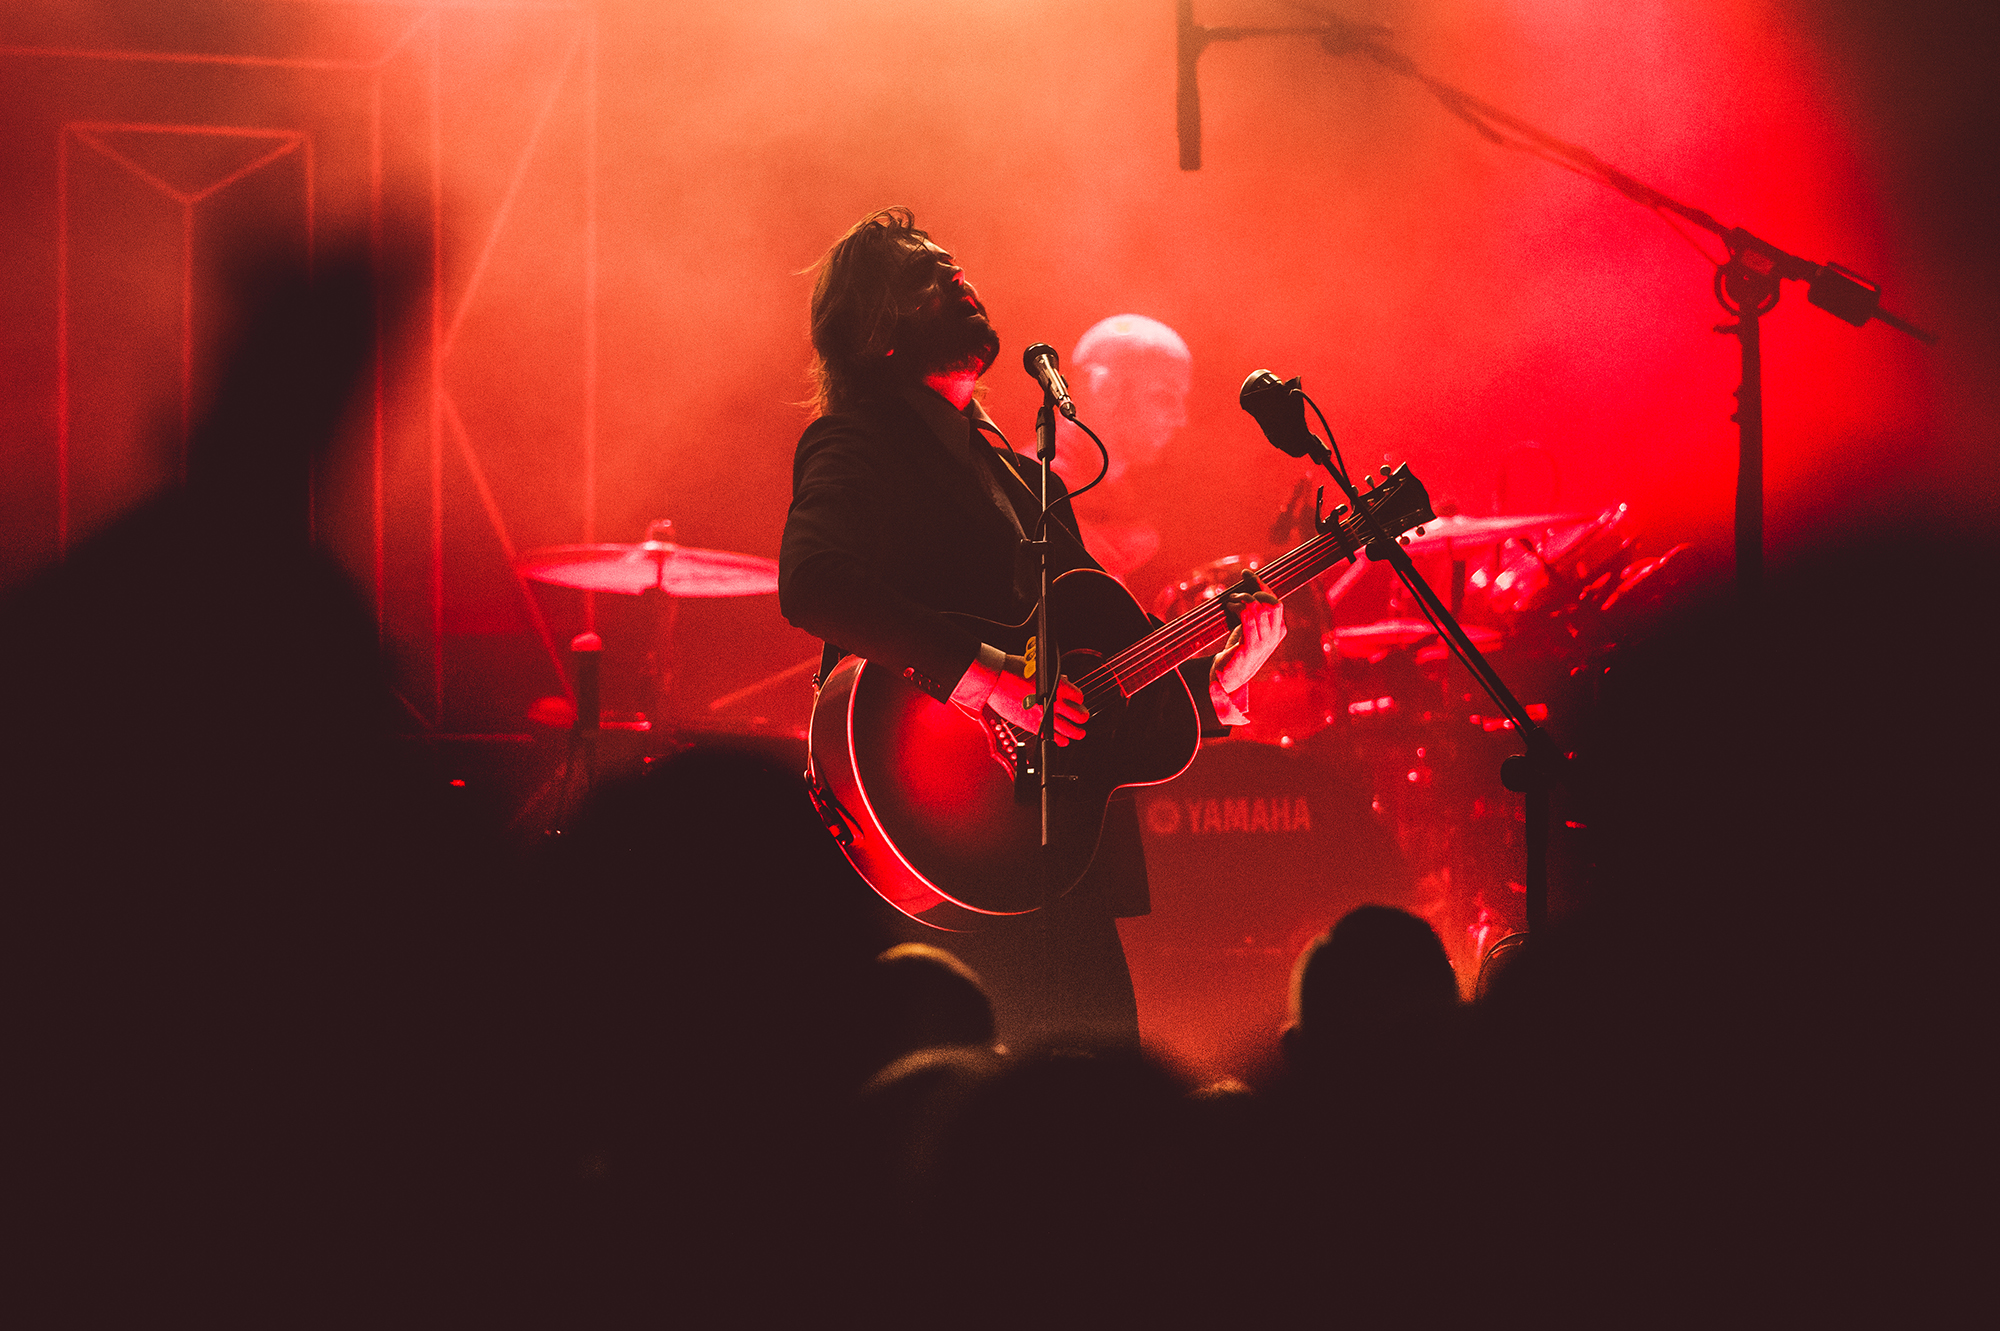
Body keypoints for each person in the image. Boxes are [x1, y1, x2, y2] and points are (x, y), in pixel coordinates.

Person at [779, 208, 1284, 1043]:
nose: (957, 277)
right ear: (879, 328)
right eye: (926, 273)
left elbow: (1095, 676)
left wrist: (1215, 690)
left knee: (1098, 1104)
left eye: (955, 266)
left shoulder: (1029, 482)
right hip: (933, 837)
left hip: (1053, 861)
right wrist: (988, 679)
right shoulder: (858, 442)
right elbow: (816, 585)